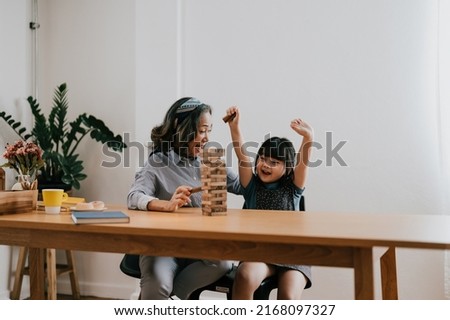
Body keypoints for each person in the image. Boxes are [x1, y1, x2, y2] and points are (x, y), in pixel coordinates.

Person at [127, 97, 242, 299]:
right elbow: (134, 196)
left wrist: (235, 132)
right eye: (202, 130)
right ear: (182, 129)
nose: (206, 137)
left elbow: (243, 187)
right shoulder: (158, 161)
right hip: (162, 246)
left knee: (221, 262)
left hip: (199, 245)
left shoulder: (211, 160)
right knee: (159, 284)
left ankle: (174, 299)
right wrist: (166, 204)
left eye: (209, 130)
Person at [225, 106, 314, 300]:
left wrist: (308, 138)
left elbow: (303, 163)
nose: (266, 165)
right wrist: (235, 127)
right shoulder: (251, 186)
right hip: (260, 253)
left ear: (287, 167)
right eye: (263, 159)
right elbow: (242, 155)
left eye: (274, 162)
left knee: (288, 297)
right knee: (244, 275)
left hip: (292, 254)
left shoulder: (293, 188)